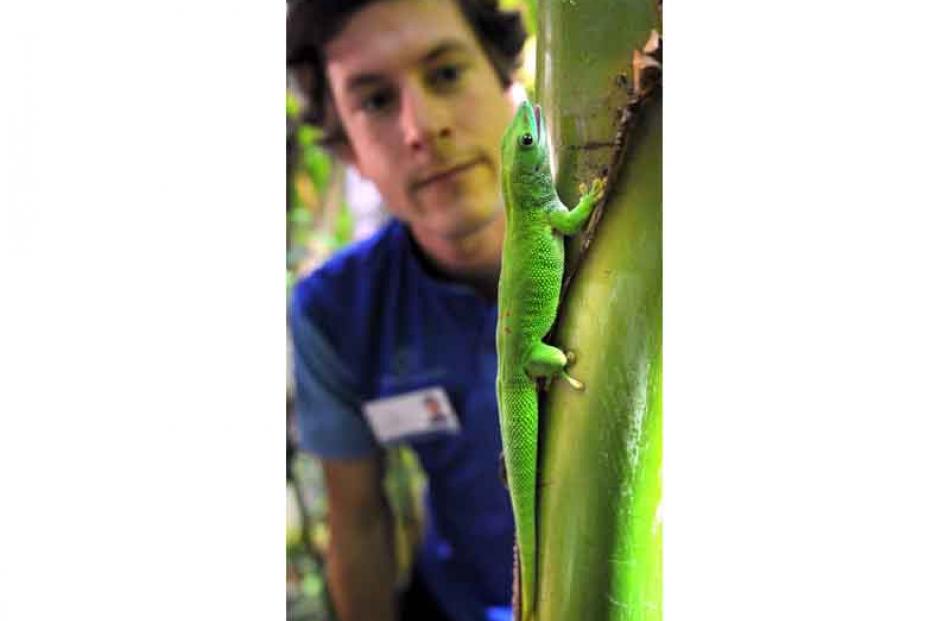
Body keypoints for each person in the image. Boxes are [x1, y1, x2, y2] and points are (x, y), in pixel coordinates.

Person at [286, 1, 528, 620]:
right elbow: (359, 523)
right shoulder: (337, 314)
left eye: (446, 74)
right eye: (374, 101)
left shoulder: (633, 244)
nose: (422, 128)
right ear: (348, 150)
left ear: (509, 77)